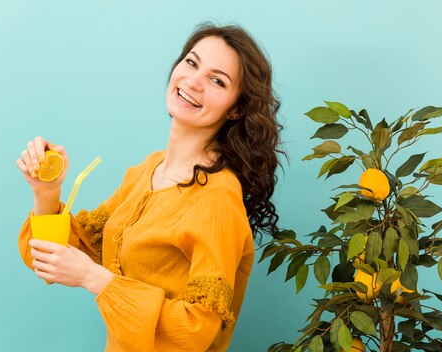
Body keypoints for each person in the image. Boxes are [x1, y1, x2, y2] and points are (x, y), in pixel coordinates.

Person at [15, 22, 283, 352]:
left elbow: (196, 332)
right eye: (191, 62)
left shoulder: (217, 199)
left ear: (237, 107)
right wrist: (46, 190)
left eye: (217, 80)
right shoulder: (147, 171)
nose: (194, 82)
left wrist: (95, 279)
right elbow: (50, 259)